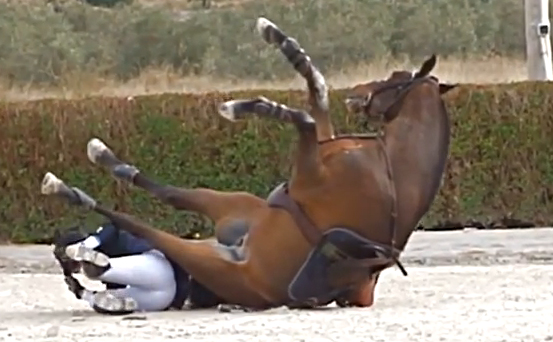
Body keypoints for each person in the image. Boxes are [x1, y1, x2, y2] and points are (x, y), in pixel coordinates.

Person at [53, 221, 223, 315]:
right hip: (165, 298)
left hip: (159, 271)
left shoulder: (108, 236)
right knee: (106, 296)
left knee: (100, 273)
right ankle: (92, 295)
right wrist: (79, 291)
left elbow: (111, 226)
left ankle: (97, 275)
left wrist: (88, 244)